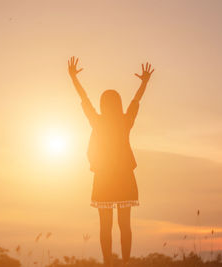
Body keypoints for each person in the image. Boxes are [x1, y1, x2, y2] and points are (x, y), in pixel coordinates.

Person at [67, 56, 154, 267]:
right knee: (125, 225)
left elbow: (84, 99)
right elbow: (136, 101)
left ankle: (108, 263)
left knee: (105, 226)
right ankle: (125, 263)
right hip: (124, 177)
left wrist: (73, 78)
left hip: (104, 179)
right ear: (119, 104)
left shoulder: (97, 121)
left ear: (102, 105)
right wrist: (144, 82)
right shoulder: (125, 121)